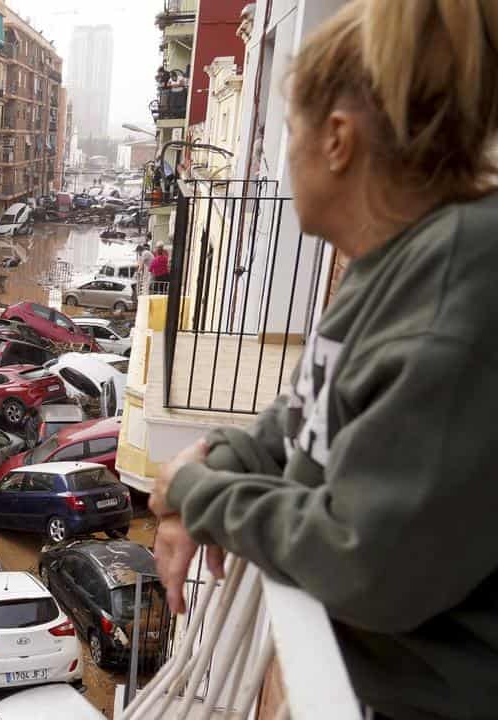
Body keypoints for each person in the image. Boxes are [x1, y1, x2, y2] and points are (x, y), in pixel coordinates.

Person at [147, 1, 498, 717]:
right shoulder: (388, 265)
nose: (285, 153)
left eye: (289, 131)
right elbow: (302, 413)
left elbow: (365, 559)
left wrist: (196, 495)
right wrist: (219, 456)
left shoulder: (456, 286)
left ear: (337, 139)